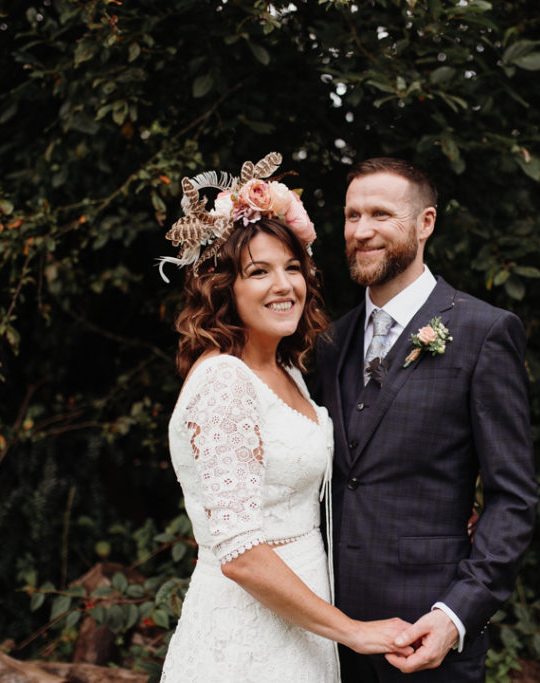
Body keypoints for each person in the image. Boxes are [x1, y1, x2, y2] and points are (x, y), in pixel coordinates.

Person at [158, 152, 411, 682]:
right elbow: (241, 552)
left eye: (292, 268)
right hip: (247, 637)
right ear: (224, 286)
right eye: (259, 272)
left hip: (302, 630)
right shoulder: (224, 380)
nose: (284, 286)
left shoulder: (288, 370)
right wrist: (353, 630)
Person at [314, 157, 538, 681]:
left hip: (426, 640)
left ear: (425, 224)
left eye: (380, 215)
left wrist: (455, 616)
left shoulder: (485, 332)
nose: (361, 231)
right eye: (351, 216)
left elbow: (513, 497)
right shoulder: (329, 342)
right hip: (327, 637)